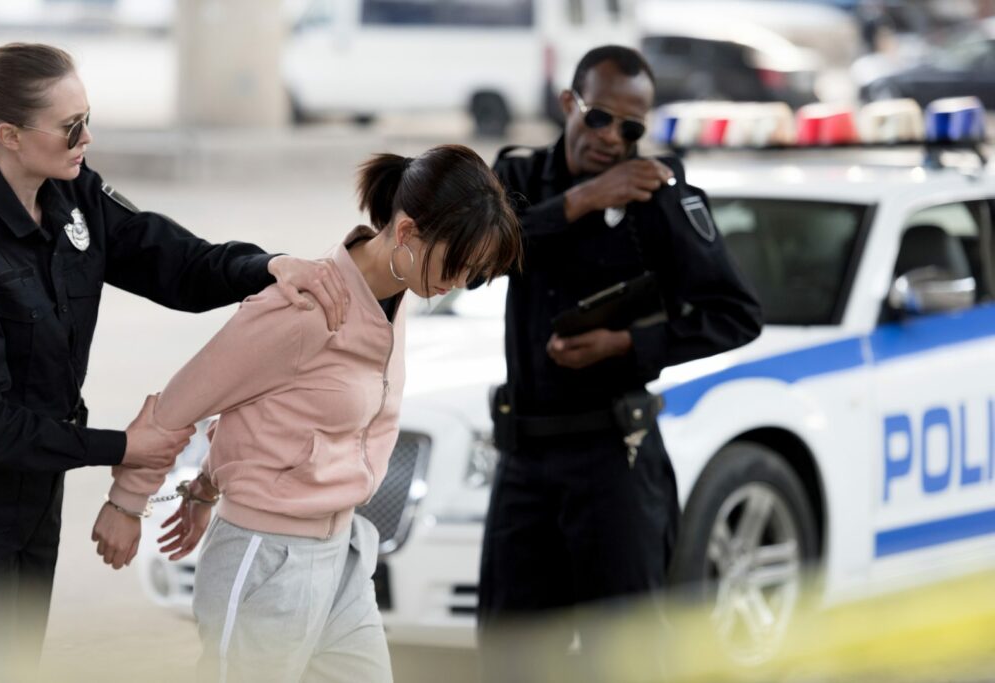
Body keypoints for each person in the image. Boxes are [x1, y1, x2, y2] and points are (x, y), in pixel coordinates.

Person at [0, 42, 350, 678]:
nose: (87, 137)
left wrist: (270, 266)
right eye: (71, 127)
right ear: (8, 134)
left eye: (88, 117)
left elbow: (177, 264)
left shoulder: (75, 197)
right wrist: (122, 447)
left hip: (36, 487)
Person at [92, 144, 522, 682]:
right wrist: (128, 503)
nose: (459, 282)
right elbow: (181, 404)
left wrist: (206, 485)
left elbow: (279, 406)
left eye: (476, 274)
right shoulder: (304, 309)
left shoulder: (396, 300)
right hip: (265, 559)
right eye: (458, 264)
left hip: (342, 552)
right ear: (408, 233)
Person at [477, 45, 763, 679]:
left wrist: (628, 346)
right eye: (600, 117)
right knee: (509, 659)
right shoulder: (517, 176)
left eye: (631, 128)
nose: (612, 139)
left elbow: (735, 314)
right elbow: (477, 262)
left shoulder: (656, 192)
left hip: (613, 459)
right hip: (523, 461)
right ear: (567, 103)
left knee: (625, 662)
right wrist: (581, 201)